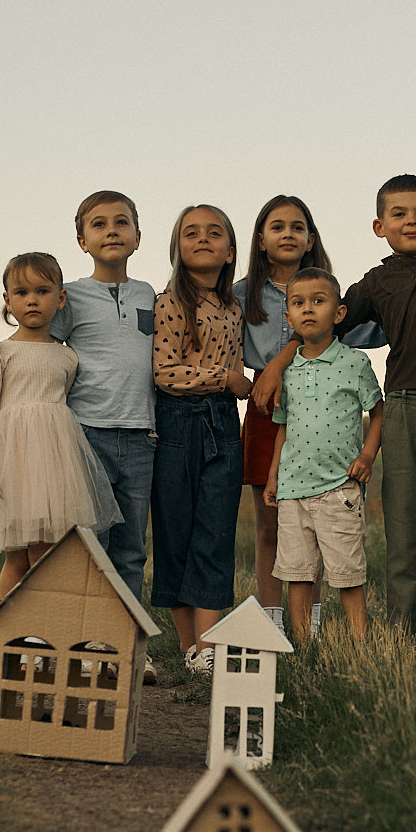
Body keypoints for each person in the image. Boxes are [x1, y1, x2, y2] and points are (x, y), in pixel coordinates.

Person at [254, 60, 416, 641]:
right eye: (398, 215)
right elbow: (322, 327)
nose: (411, 221)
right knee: (404, 538)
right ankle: (405, 642)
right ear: (378, 226)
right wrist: (276, 366)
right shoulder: (374, 283)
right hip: (406, 413)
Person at [0, 191, 157, 605]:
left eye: (121, 222)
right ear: (81, 241)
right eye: (98, 224)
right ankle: (78, 636)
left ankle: (123, 642)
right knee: (82, 549)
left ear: (138, 236)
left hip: (142, 434)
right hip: (86, 436)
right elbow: (33, 344)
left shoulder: (150, 296)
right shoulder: (67, 294)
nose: (111, 230)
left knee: (131, 551)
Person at [234, 194, 385, 636]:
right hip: (270, 409)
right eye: (277, 227)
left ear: (311, 238)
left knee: (318, 527)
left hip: (323, 407)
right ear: (261, 240)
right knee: (272, 525)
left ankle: (312, 628)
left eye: (297, 227)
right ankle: (270, 623)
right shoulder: (242, 293)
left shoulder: (325, 290)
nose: (287, 234)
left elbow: (362, 329)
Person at [0, 253, 122, 598]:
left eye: (43, 291)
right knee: (16, 556)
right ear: (7, 301)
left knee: (47, 552)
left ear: (60, 299)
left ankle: (44, 629)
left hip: (54, 469)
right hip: (11, 466)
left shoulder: (67, 356)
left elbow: (62, 409)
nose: (31, 299)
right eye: (21, 292)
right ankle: (16, 631)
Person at [150, 205, 251, 673]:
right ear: (177, 248)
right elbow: (165, 373)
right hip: (176, 423)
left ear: (231, 251)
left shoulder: (234, 307)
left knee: (215, 530)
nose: (203, 239)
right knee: (176, 532)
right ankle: (190, 645)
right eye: (192, 233)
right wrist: (225, 379)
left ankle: (209, 648)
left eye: (215, 233)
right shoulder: (169, 303)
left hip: (223, 424)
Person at [263, 270, 383, 639]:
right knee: (297, 572)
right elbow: (283, 427)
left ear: (339, 312)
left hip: (339, 488)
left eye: (319, 301)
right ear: (289, 318)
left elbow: (378, 412)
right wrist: (273, 477)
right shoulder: (288, 371)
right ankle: (304, 646)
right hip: (294, 489)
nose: (308, 309)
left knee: (347, 574)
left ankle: (359, 646)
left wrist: (367, 456)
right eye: (298, 303)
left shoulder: (354, 362)